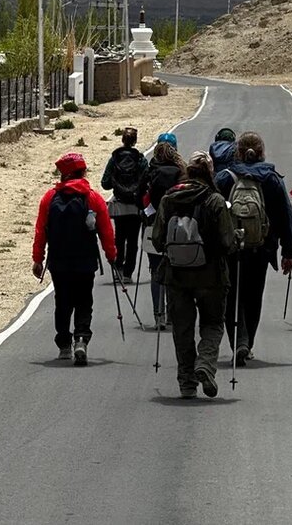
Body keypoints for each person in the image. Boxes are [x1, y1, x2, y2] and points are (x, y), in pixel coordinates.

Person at [151, 151, 237, 399]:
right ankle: (205, 364)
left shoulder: (169, 199)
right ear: (210, 173)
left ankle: (187, 382)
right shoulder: (215, 200)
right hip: (211, 276)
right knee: (213, 323)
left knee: (182, 329)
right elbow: (227, 242)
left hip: (176, 277)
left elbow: (157, 241)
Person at [215, 131, 292, 365]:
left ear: (237, 152)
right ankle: (247, 344)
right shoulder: (271, 179)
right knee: (253, 296)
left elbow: (212, 213)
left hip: (230, 249)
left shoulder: (225, 178)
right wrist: (288, 253)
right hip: (260, 249)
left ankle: (237, 342)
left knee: (231, 297)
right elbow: (285, 218)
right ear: (261, 153)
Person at [31, 152, 117, 367]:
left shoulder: (49, 198)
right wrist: (111, 255)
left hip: (59, 261)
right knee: (84, 301)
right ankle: (81, 338)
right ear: (82, 172)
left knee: (62, 301)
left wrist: (37, 259)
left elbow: (41, 230)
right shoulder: (93, 198)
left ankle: (64, 345)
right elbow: (106, 231)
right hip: (85, 260)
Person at [138, 133, 184, 330]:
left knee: (156, 271)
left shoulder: (149, 172)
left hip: (152, 225)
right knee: (176, 270)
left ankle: (159, 315)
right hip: (177, 226)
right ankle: (174, 314)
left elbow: (138, 196)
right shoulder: (181, 171)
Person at [101, 126, 147, 284]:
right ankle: (128, 273)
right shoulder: (140, 159)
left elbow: (105, 184)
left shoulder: (114, 159)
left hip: (119, 205)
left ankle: (118, 268)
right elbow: (146, 180)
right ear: (135, 141)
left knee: (119, 238)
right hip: (136, 206)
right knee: (133, 240)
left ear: (122, 140)